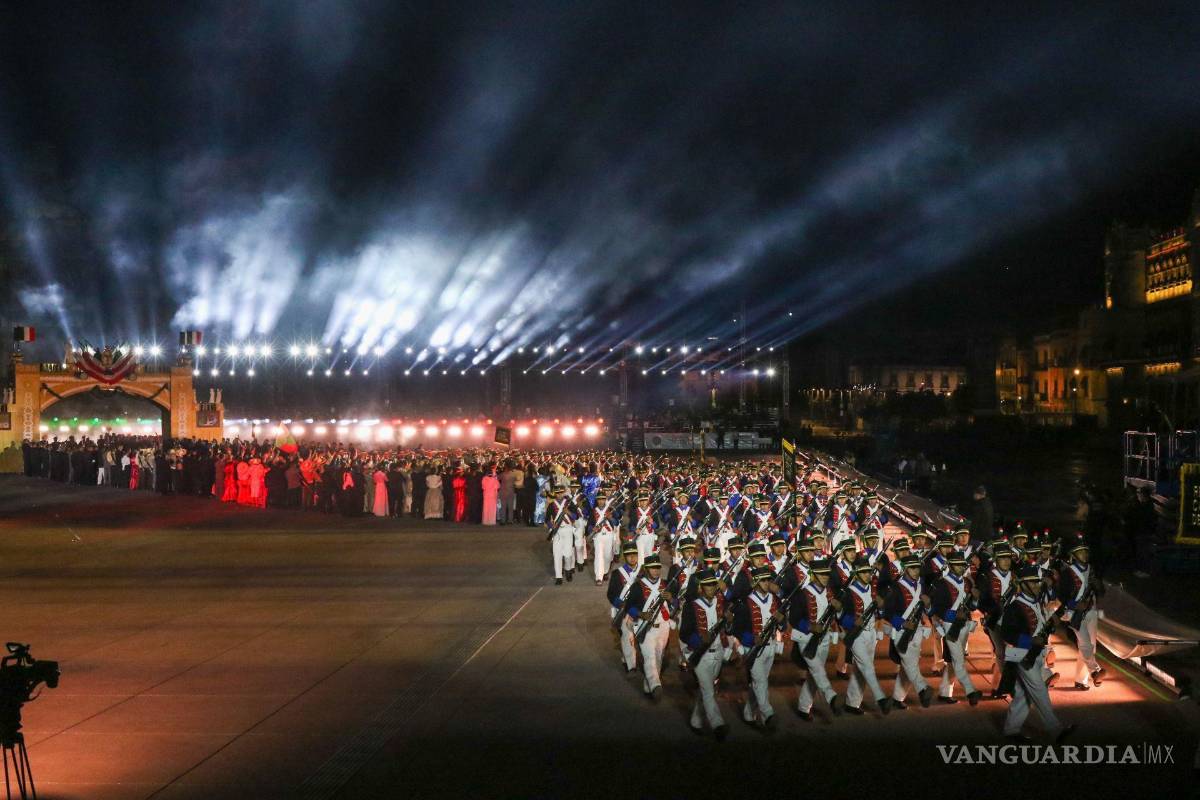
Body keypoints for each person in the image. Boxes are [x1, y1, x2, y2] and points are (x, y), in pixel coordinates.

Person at [1001, 565, 1075, 743]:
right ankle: (1056, 730)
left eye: (1036, 582)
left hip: (1036, 654)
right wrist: (1031, 641)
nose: (1036, 586)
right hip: (1022, 655)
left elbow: (1042, 625)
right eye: (1032, 583)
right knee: (1039, 690)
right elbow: (1007, 633)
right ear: (1023, 585)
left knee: (1022, 695)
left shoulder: (1036, 602)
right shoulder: (1015, 607)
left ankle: (1011, 730)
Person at [679, 569, 732, 740]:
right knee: (708, 690)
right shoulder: (691, 606)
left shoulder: (720, 602)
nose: (711, 588)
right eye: (707, 585)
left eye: (713, 584)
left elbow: (728, 628)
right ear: (701, 587)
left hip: (718, 652)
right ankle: (718, 724)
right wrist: (699, 639)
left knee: (705, 690)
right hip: (699, 654)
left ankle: (696, 721)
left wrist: (729, 621)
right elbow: (684, 633)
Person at [839, 556, 891, 715]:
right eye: (864, 572)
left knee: (860, 670)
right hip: (856, 635)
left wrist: (881, 608)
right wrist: (854, 621)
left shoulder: (874, 589)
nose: (868, 575)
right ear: (856, 574)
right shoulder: (847, 592)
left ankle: (852, 703)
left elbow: (880, 614)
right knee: (867, 667)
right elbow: (841, 617)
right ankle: (881, 698)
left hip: (871, 634)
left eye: (869, 571)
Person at [930, 552, 983, 705]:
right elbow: (936, 607)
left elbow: (973, 607)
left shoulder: (968, 582)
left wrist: (976, 598)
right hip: (949, 625)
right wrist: (953, 615)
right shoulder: (941, 583)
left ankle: (945, 692)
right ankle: (971, 691)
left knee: (954, 662)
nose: (960, 567)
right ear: (951, 566)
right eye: (957, 564)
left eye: (962, 565)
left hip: (965, 624)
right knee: (958, 661)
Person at [1057, 534, 1105, 690]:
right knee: (1085, 644)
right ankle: (1095, 671)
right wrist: (1074, 605)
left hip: (1091, 611)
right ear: (1073, 555)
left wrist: (1098, 585)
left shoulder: (1092, 570)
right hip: (1073, 614)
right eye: (1080, 551)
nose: (1084, 554)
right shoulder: (1067, 573)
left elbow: (1101, 592)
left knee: (1090, 646)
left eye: (1085, 551)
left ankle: (1080, 680)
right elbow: (1061, 596)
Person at [625, 553, 672, 701]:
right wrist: (641, 614)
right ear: (646, 569)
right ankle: (656, 685)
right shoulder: (638, 586)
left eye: (658, 568)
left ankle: (648, 685)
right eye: (653, 568)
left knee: (658, 658)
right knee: (650, 657)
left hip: (664, 627)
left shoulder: (666, 585)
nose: (656, 571)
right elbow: (629, 607)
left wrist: (672, 599)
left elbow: (676, 604)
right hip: (646, 627)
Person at [607, 543, 642, 673]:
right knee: (627, 637)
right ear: (625, 557)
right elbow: (611, 593)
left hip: (640, 611)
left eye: (634, 554)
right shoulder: (617, 573)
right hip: (623, 611)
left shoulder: (644, 571)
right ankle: (631, 666)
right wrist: (621, 604)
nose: (632, 557)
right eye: (629, 555)